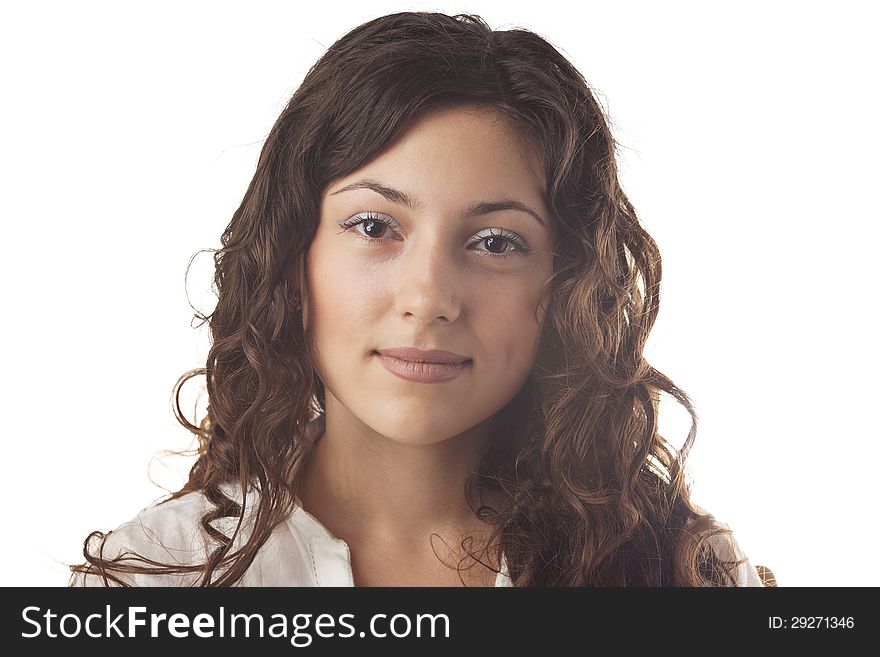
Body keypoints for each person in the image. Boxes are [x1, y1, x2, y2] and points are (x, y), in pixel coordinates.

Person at [70, 11, 765, 587]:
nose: (430, 297)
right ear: (290, 256)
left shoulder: (679, 574)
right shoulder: (152, 583)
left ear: (565, 285)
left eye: (496, 242)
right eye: (375, 227)